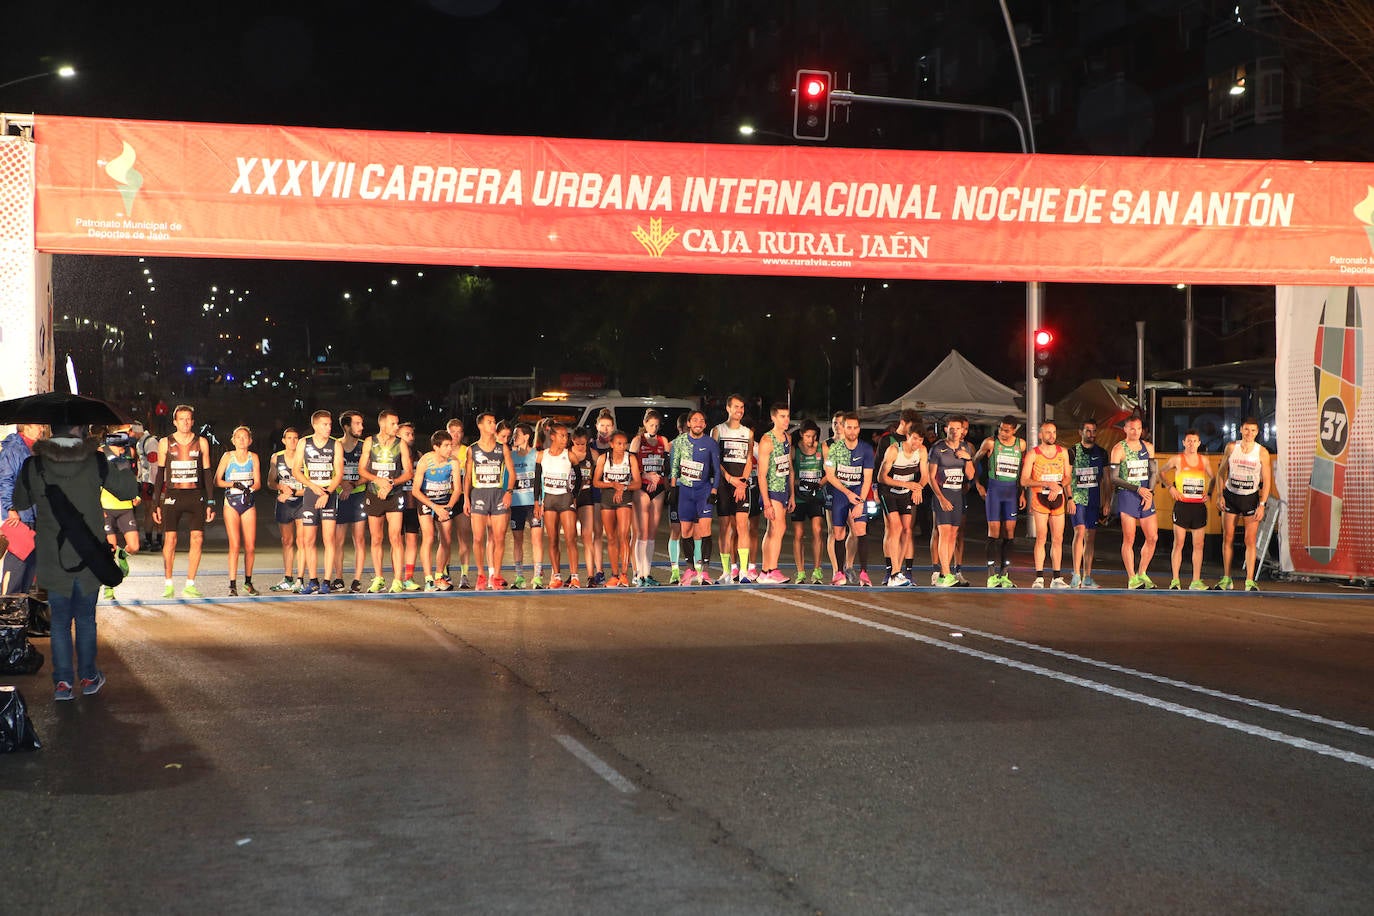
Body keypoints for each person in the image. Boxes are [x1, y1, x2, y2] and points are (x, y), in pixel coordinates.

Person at [13, 422, 137, 700]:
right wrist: (120, 459)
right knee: (85, 619)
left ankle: (63, 684)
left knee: (59, 622)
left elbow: (19, 501)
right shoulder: (96, 460)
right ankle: (89, 677)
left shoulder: (34, 464)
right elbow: (128, 491)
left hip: (52, 557)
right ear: (79, 430)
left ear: (51, 431)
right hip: (88, 554)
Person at [152, 405, 215, 598]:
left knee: (198, 539)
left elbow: (206, 472)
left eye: (188, 419)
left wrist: (211, 502)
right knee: (170, 539)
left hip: (195, 495)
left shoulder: (201, 442)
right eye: (181, 419)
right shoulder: (165, 442)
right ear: (175, 422)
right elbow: (160, 474)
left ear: (193, 421)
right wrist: (156, 503)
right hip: (173, 496)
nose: (185, 423)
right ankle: (168, 583)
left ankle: (190, 583)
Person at [1214, 416, 1273, 592]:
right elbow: (1220, 473)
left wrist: (1262, 504)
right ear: (1241, 429)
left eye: (1253, 430)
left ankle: (1249, 580)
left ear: (1258, 432)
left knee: (1250, 540)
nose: (1249, 433)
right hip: (1231, 496)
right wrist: (1220, 495)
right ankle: (1226, 578)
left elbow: (1268, 480)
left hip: (1250, 498)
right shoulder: (1232, 447)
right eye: (1246, 429)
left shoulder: (1262, 452)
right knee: (1228, 537)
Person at [359, 409, 413, 593]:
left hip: (394, 493)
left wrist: (391, 483)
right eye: (393, 423)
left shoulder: (401, 444)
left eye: (397, 423)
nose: (396, 427)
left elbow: (408, 472)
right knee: (376, 538)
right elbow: (362, 470)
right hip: (374, 494)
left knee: (396, 537)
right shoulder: (369, 442)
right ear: (382, 424)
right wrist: (378, 481)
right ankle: (379, 578)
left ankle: (398, 579)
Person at [291, 410, 343, 594]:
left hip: (328, 494)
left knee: (329, 539)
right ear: (315, 425)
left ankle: (326, 581)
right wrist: (312, 487)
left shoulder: (335, 445)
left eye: (330, 424)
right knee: (308, 540)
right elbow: (296, 470)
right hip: (312, 494)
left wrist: (327, 492)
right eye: (325, 424)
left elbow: (339, 473)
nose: (329, 428)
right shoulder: (304, 443)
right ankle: (312, 580)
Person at [822, 411, 875, 586]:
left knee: (860, 530)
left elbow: (867, 478)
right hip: (841, 494)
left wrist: (860, 501)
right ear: (843, 428)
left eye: (855, 427)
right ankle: (838, 573)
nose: (852, 431)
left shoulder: (866, 449)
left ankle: (864, 573)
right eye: (848, 427)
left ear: (859, 429)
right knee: (838, 533)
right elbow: (830, 475)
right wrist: (847, 493)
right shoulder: (835, 449)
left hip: (858, 493)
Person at [669, 409, 721, 586]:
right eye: (694, 420)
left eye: (701, 420)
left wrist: (714, 491)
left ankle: (704, 572)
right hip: (684, 491)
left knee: (705, 529)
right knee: (686, 531)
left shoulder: (711, 443)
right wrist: (673, 488)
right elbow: (674, 466)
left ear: (705, 425)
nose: (698, 423)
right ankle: (689, 569)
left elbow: (716, 469)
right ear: (688, 423)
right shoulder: (679, 442)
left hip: (703, 491)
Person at [465, 411, 515, 590]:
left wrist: (508, 491)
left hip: (497, 494)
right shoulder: (472, 449)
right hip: (479, 495)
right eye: (489, 422)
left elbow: (512, 473)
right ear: (480, 425)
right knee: (478, 537)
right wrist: (466, 499)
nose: (493, 425)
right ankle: (480, 574)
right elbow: (467, 478)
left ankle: (496, 575)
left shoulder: (502, 448)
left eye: (494, 422)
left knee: (500, 537)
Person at [974, 416, 1026, 588]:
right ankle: (991, 575)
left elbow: (1023, 471)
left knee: (1010, 531)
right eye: (1001, 429)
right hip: (994, 491)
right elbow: (974, 461)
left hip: (1011, 492)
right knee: (994, 531)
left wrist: (1022, 493)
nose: (1003, 433)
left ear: (1014, 430)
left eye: (1007, 430)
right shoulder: (990, 443)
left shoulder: (1021, 444)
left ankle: (1004, 574)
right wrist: (978, 484)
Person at [1021, 420, 1073, 588]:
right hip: (1040, 499)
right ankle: (1039, 577)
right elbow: (1024, 480)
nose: (1052, 436)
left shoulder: (1063, 452)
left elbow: (1068, 476)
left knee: (1058, 538)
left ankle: (1057, 578)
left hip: (1058, 499)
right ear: (1040, 435)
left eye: (1054, 432)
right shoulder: (1033, 454)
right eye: (1048, 432)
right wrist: (1045, 484)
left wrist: (1059, 486)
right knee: (1041, 537)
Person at [1110, 415, 1160, 589]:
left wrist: (1150, 493)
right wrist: (1137, 489)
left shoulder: (1148, 447)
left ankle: (1142, 573)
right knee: (1129, 538)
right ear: (1125, 429)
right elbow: (1114, 478)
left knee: (1152, 537)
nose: (1135, 432)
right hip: (1128, 495)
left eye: (1138, 428)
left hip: (1146, 494)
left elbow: (1154, 472)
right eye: (1132, 428)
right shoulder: (1118, 449)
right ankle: (1132, 578)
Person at [927, 416, 977, 588]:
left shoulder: (965, 448)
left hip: (957, 495)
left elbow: (970, 475)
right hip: (943, 494)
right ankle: (945, 573)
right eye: (952, 428)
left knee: (953, 535)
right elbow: (930, 477)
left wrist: (967, 459)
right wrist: (940, 498)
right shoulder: (938, 448)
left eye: (958, 428)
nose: (955, 431)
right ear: (946, 429)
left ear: (963, 431)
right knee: (944, 533)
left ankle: (944, 574)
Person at [1162, 428, 1214, 590]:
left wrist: (1210, 493)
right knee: (1179, 543)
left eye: (1194, 441)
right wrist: (1171, 488)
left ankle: (1196, 581)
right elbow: (1161, 472)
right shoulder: (1177, 459)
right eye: (1188, 441)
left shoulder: (1204, 461)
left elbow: (1214, 477)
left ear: (1199, 443)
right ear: (1184, 442)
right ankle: (1175, 580)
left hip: (1198, 506)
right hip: (1182, 506)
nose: (1191, 444)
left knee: (1199, 544)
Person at [1, 422, 49, 595]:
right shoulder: (13, 449)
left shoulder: (37, 449)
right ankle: (7, 611)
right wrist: (10, 508)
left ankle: (20, 612)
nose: (42, 429)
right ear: (26, 427)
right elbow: (5, 480)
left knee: (29, 568)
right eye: (39, 425)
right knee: (16, 566)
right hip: (20, 516)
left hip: (36, 514)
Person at [712, 395, 754, 583]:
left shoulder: (748, 433)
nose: (740, 410)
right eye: (736, 407)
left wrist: (742, 482)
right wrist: (729, 479)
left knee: (742, 526)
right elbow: (715, 460)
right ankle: (727, 571)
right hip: (724, 485)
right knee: (725, 528)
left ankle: (743, 571)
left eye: (742, 407)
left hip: (742, 485)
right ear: (728, 408)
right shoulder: (718, 430)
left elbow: (749, 459)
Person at [215, 426, 261, 597]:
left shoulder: (253, 457)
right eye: (238, 437)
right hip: (231, 503)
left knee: (250, 546)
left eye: (245, 437)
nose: (242, 440)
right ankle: (232, 584)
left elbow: (258, 483)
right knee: (234, 545)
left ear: (250, 440)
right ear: (233, 440)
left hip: (248, 503)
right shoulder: (228, 456)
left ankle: (248, 583)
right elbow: (217, 481)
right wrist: (233, 484)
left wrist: (250, 489)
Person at [877, 423, 926, 586]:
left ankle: (899, 572)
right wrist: (907, 485)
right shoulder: (893, 450)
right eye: (914, 439)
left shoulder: (922, 451)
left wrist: (918, 488)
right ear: (907, 436)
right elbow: (882, 477)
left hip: (905, 494)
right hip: (888, 492)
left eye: (919, 440)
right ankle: (894, 573)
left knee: (907, 529)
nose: (916, 443)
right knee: (895, 527)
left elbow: (925, 475)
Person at [97, 425, 142, 601]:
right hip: (106, 506)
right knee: (110, 548)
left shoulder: (127, 454)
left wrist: (135, 495)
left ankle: (123, 555)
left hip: (125, 507)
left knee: (134, 546)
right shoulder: (100, 453)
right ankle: (109, 587)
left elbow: (131, 478)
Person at [412, 430, 460, 591]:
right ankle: (428, 579)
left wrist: (447, 508)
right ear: (436, 447)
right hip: (427, 501)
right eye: (446, 446)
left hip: (445, 501)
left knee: (446, 540)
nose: (449, 449)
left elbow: (457, 489)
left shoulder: (453, 462)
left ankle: (439, 575)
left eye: (450, 445)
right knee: (429, 537)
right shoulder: (425, 461)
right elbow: (415, 491)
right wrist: (435, 507)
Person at [593, 429, 641, 587]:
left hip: (624, 498)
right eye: (619, 443)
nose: (622, 446)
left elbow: (637, 483)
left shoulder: (631, 458)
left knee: (624, 535)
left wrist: (623, 488)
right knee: (611, 537)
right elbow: (596, 482)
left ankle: (624, 574)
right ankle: (614, 574)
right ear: (611, 444)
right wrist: (612, 484)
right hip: (607, 498)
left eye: (624, 443)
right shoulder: (603, 458)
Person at [1068, 419, 1112, 588]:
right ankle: (1076, 574)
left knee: (1090, 538)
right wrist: (1070, 498)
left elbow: (1107, 480)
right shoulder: (1072, 452)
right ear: (1081, 432)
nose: (1091, 434)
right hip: (1078, 500)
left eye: (1094, 431)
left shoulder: (1102, 453)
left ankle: (1087, 576)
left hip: (1094, 500)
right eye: (1088, 431)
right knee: (1079, 532)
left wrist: (1107, 501)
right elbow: (1067, 478)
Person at [629, 410, 670, 586]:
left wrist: (658, 476)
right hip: (643, 486)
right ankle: (638, 574)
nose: (653, 428)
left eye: (656, 425)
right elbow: (631, 465)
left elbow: (666, 465)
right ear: (645, 423)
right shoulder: (638, 440)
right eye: (650, 424)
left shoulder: (663, 441)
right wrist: (646, 474)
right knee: (642, 531)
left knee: (652, 532)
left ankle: (647, 572)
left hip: (658, 487)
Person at [536, 423, 579, 589]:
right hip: (549, 500)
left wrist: (574, 495)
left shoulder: (570, 455)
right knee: (553, 540)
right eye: (562, 435)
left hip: (565, 499)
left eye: (566, 435)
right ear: (552, 436)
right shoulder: (542, 456)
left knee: (570, 538)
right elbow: (537, 482)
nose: (565, 438)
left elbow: (579, 478)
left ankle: (574, 576)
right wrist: (537, 502)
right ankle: (557, 576)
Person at [755, 403, 794, 584]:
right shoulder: (766, 440)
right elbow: (761, 475)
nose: (786, 420)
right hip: (771, 490)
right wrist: (767, 502)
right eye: (782, 416)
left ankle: (765, 570)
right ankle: (772, 569)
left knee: (774, 530)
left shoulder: (788, 437)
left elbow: (789, 468)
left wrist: (792, 494)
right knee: (779, 528)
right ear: (773, 418)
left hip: (784, 490)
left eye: (787, 416)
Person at [331, 410, 368, 593]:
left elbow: (368, 473)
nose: (361, 427)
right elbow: (330, 471)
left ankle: (357, 579)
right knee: (338, 541)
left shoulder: (364, 446)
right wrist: (341, 485)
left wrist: (351, 485)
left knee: (359, 539)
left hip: (358, 495)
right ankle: (338, 578)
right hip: (338, 496)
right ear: (346, 427)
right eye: (357, 423)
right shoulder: (335, 446)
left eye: (361, 423)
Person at [267, 428, 306, 592]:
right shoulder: (277, 458)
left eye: (295, 438)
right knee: (287, 541)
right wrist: (280, 487)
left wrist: (295, 492)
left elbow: (312, 485)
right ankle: (288, 577)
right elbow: (270, 482)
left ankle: (300, 579)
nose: (292, 441)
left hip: (303, 501)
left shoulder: (304, 457)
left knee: (302, 541)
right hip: (284, 503)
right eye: (289, 438)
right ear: (283, 440)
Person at [790, 421, 827, 584]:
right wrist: (798, 484)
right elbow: (789, 474)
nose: (811, 440)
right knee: (799, 534)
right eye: (807, 436)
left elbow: (830, 470)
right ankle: (800, 572)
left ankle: (817, 571)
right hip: (799, 497)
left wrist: (820, 483)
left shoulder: (822, 448)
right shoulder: (794, 450)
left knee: (818, 530)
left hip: (816, 496)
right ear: (801, 435)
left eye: (813, 436)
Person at [508, 423, 540, 588]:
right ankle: (519, 577)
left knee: (536, 540)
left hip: (533, 504)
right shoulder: (511, 456)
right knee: (517, 540)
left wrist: (539, 501)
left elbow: (541, 479)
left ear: (527, 437)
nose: (514, 437)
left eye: (517, 434)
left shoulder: (537, 455)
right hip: (516, 504)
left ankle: (537, 576)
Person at [445, 418, 473, 588]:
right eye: (452, 432)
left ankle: (464, 575)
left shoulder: (467, 451)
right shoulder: (441, 451)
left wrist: (468, 497)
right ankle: (445, 574)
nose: (455, 435)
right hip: (445, 498)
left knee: (464, 538)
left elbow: (469, 477)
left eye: (459, 432)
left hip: (462, 498)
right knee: (445, 539)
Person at [665, 412, 691, 584]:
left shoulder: (698, 444)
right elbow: (668, 471)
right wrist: (671, 488)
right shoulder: (672, 445)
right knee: (675, 530)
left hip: (693, 492)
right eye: (685, 429)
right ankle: (674, 570)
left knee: (691, 531)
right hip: (678, 489)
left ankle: (693, 569)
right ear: (679, 428)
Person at [397, 422, 423, 588]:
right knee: (396, 542)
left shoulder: (418, 455)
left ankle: (408, 577)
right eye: (407, 434)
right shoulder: (392, 455)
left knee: (412, 541)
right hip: (396, 503)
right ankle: (397, 578)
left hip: (413, 504)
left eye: (412, 434)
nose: (411, 437)